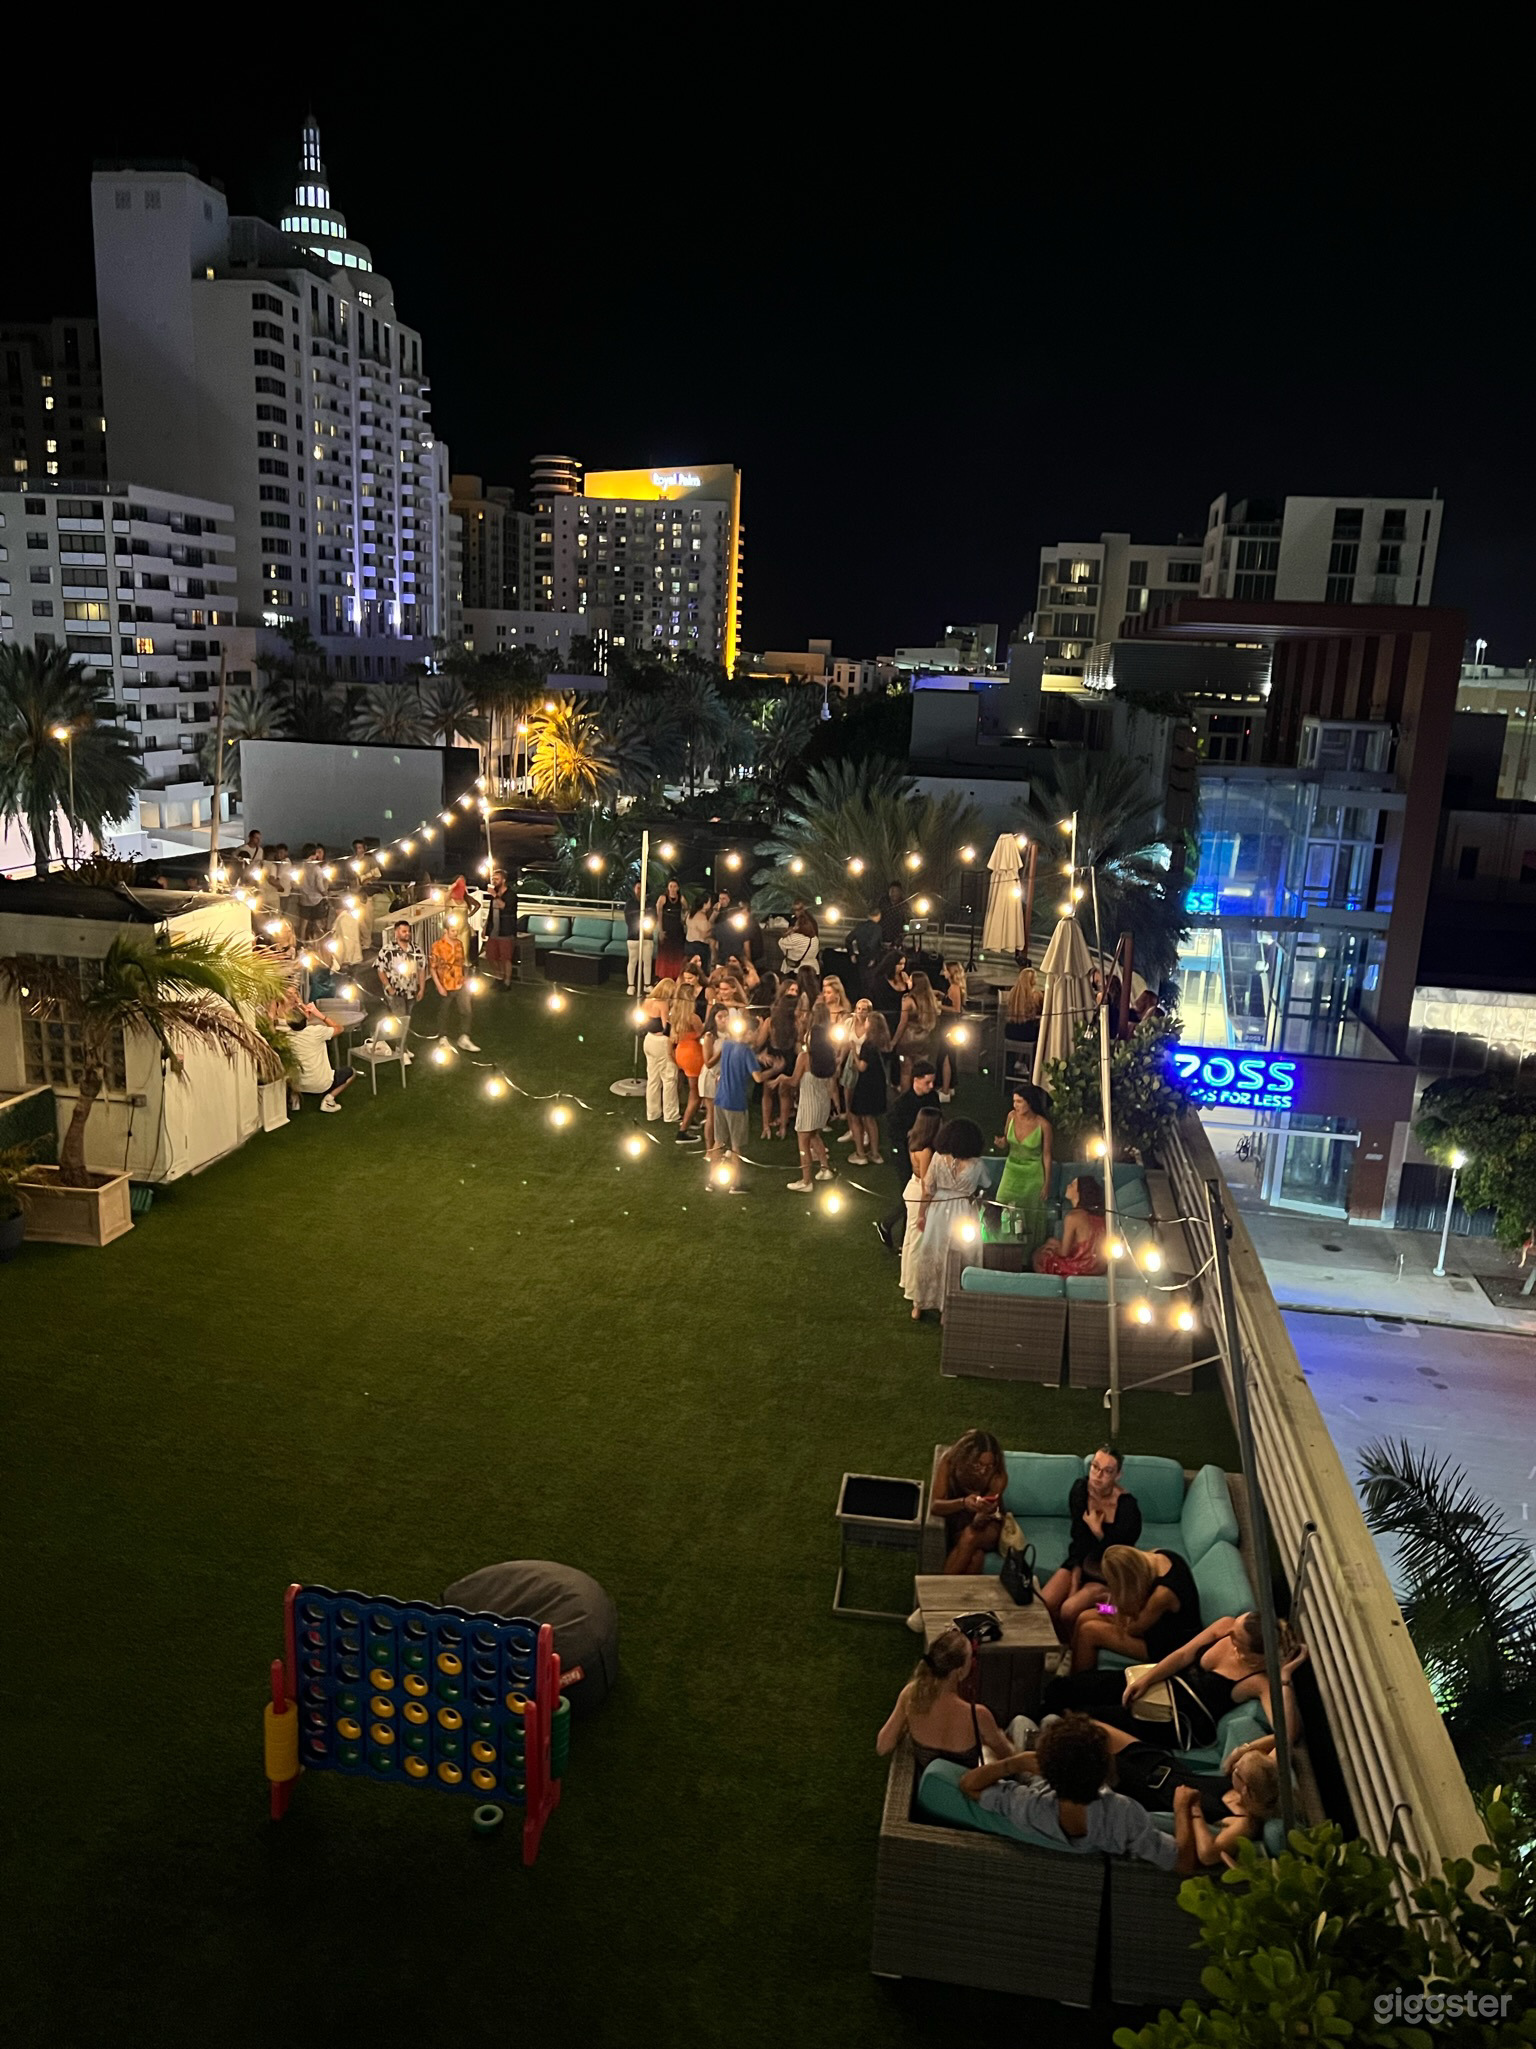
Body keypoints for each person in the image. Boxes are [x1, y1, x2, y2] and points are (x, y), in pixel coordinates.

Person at [957, 1715, 1196, 1875]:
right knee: (1048, 1721)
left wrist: (1014, 1764)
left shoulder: (1028, 1807)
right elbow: (1182, 1862)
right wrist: (1182, 1808)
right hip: (1062, 1787)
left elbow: (969, 1785)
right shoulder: (1122, 1814)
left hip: (1044, 1791)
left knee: (1023, 1722)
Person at [1044, 1611, 1310, 1754]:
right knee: (1073, 1687)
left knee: (1083, 1718)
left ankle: (1039, 1739)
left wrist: (1284, 1677)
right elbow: (1183, 1654)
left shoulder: (1257, 1681)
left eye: (1236, 1638)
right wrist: (1147, 1679)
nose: (1229, 1633)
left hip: (1176, 1720)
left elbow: (1288, 1734)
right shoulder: (1226, 1626)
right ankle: (1033, 1713)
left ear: (1254, 1656)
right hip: (1164, 1685)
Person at [1094, 1723, 1282, 1864]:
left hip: (1148, 1789)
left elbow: (1208, 1854)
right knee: (1089, 1728)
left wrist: (1194, 1810)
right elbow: (1282, 1738)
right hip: (1162, 1763)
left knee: (1090, 1749)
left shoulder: (1243, 1821)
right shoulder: (1264, 1777)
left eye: (1237, 1771)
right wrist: (1243, 1751)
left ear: (1246, 1789)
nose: (1233, 1767)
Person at [1041, 1446, 1143, 1642]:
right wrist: (1074, 1583)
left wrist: (1098, 1532)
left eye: (1107, 1471)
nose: (1098, 1475)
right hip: (1081, 1561)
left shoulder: (1128, 1508)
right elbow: (1079, 1542)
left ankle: (1111, 1610)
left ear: (1118, 1475)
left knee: (1069, 1610)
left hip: (1109, 1570)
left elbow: (1120, 1554)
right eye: (1095, 1467)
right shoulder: (1080, 1490)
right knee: (1046, 1603)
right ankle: (1061, 1646)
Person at [876, 1627, 1008, 1770]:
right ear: (960, 1671)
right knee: (1019, 1726)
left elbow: (883, 1746)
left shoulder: (911, 1695)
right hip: (966, 1788)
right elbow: (1007, 1756)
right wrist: (999, 1737)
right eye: (971, 1657)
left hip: (930, 1785)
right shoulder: (978, 1715)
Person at [1062, 1543, 1201, 1675]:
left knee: (1089, 1631)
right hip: (1150, 1622)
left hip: (1166, 1644)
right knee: (1085, 1616)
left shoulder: (1162, 1595)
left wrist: (1117, 1606)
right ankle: (1073, 1663)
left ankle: (1077, 1685)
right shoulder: (1157, 1555)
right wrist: (1108, 1608)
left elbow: (1133, 1628)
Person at [904, 1117, 986, 1319]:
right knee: (959, 1256)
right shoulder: (977, 1165)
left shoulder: (938, 1158)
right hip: (963, 1211)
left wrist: (922, 1215)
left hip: (939, 1210)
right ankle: (948, 1305)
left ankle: (920, 1304)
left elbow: (927, 1190)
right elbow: (985, 1185)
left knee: (931, 1253)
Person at [875, 1058, 938, 1250]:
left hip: (928, 1152)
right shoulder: (902, 1104)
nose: (931, 1086)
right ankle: (902, 1237)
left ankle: (894, 1230)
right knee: (912, 1195)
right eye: (927, 1082)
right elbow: (893, 1132)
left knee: (920, 1195)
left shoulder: (932, 1098)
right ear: (916, 1080)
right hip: (906, 1154)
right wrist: (911, 1136)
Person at [929, 1429, 1008, 1575]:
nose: (984, 1471)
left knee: (971, 1535)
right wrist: (963, 1503)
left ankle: (938, 1591)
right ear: (966, 1459)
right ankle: (953, 1597)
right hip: (959, 1520)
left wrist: (982, 1513)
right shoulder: (949, 1462)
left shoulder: (997, 1476)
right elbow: (935, 1507)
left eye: (989, 1466)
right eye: (978, 1465)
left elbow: (985, 1515)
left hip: (988, 1525)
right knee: (975, 1559)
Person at [993, 1083, 1051, 1254]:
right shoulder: (1011, 1117)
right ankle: (1001, 1250)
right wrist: (1001, 1143)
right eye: (1014, 1101)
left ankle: (1027, 1255)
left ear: (1029, 1102)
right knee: (1002, 1203)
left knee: (1029, 1214)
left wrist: (1047, 1183)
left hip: (1033, 1173)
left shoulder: (1043, 1126)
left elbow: (1047, 1155)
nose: (1015, 1105)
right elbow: (1006, 1141)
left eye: (1019, 1102)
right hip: (1012, 1168)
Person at [787, 1000, 838, 1191]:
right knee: (815, 1135)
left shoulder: (804, 1058)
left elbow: (793, 1081)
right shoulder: (827, 1058)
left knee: (803, 1142)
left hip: (808, 1105)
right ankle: (825, 1168)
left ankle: (806, 1181)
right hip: (822, 1103)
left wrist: (780, 1078)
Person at [710, 1007, 765, 1175]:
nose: (757, 1036)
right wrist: (775, 1069)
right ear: (749, 1032)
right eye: (756, 1032)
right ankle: (735, 1183)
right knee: (736, 1146)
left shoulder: (727, 1044)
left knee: (718, 1142)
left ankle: (712, 1179)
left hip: (720, 1098)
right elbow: (758, 1078)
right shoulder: (747, 1052)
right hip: (736, 1103)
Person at [896, 1105, 942, 1304]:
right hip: (918, 1195)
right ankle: (914, 1288)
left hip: (911, 1188)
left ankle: (907, 1280)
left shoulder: (913, 1140)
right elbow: (926, 1183)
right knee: (917, 1243)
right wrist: (925, 1210)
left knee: (910, 1239)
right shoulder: (926, 1151)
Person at [283, 1001, 356, 1114]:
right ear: (305, 1019)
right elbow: (340, 1029)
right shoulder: (316, 1032)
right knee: (351, 1072)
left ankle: (295, 1099)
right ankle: (329, 1100)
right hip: (321, 1084)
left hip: (298, 1084)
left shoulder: (286, 1037)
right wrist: (319, 1014)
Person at [1033, 1172, 1109, 1276]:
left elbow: (1064, 1253)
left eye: (1072, 1185)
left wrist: (1051, 1248)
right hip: (1099, 1267)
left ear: (1080, 1192)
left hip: (1082, 1268)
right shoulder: (1099, 1214)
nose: (1068, 1186)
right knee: (1051, 1241)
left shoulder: (1072, 1217)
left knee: (1040, 1256)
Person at [426, 910, 479, 1051]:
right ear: (446, 930)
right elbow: (433, 967)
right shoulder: (437, 946)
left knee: (466, 1010)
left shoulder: (459, 944)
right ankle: (443, 1037)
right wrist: (439, 986)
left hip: (460, 981)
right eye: (453, 931)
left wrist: (466, 979)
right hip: (446, 982)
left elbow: (462, 963)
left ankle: (464, 1037)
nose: (456, 934)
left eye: (456, 931)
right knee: (444, 1010)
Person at [846, 1006, 891, 1164]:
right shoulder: (882, 1044)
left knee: (858, 1116)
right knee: (871, 1120)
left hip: (866, 1085)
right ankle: (875, 1153)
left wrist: (853, 1052)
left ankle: (860, 1154)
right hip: (878, 1084)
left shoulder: (868, 1044)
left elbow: (862, 1067)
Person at [375, 918, 423, 1064]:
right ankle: (400, 1049)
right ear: (396, 933)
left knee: (407, 1019)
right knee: (400, 1019)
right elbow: (380, 970)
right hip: (395, 992)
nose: (407, 934)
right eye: (404, 931)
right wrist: (389, 987)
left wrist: (421, 988)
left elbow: (421, 969)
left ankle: (403, 1046)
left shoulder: (416, 949)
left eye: (408, 931)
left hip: (411, 991)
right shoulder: (387, 950)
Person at [894, 970, 943, 1093]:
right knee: (921, 1071)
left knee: (906, 1071)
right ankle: (920, 1095)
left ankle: (905, 1097)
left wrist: (894, 1041)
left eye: (910, 979)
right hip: (924, 1039)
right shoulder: (930, 1000)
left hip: (908, 1039)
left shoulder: (908, 1000)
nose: (908, 981)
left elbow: (902, 1023)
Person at [643, 976, 680, 1126]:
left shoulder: (647, 1001)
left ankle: (652, 1113)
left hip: (648, 1040)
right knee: (669, 1078)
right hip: (661, 1043)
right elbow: (666, 1027)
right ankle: (670, 1114)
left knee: (652, 1079)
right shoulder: (663, 1004)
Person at [671, 986, 705, 1142]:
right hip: (693, 1055)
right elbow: (702, 1035)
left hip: (681, 1052)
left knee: (692, 1089)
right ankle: (683, 1131)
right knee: (695, 1094)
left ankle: (690, 1119)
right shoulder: (693, 1018)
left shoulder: (675, 1015)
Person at [485, 865, 517, 988]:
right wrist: (485, 927)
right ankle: (498, 977)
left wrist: (495, 896)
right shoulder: (495, 895)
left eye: (496, 879)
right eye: (493, 879)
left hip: (506, 930)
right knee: (490, 956)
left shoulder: (511, 895)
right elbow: (491, 912)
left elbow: (505, 907)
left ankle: (507, 982)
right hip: (493, 930)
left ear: (503, 880)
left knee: (505, 958)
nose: (494, 882)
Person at [654, 878, 688, 982]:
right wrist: (660, 930)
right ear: (668, 888)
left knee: (677, 954)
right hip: (666, 930)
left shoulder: (681, 898)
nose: (673, 889)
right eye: (671, 886)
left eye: (675, 886)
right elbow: (658, 915)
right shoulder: (663, 898)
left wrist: (684, 918)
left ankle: (676, 976)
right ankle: (664, 976)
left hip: (678, 931)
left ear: (678, 888)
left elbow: (687, 909)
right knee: (665, 955)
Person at [297, 844, 331, 942]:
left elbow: (296, 883)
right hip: (316, 900)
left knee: (303, 924)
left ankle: (302, 944)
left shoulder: (300, 867)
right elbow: (320, 886)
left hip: (303, 899)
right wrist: (326, 895)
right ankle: (318, 944)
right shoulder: (316, 869)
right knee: (318, 924)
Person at [624, 881, 653, 997]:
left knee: (647, 961)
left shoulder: (650, 904)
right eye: (638, 888)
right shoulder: (630, 904)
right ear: (634, 889)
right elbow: (628, 920)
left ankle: (647, 984)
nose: (640, 890)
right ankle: (631, 985)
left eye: (642, 888)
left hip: (647, 937)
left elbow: (653, 918)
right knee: (632, 961)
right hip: (633, 937)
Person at [778, 909, 820, 978]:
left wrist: (790, 931)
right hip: (812, 969)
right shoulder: (815, 939)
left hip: (796, 970)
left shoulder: (795, 938)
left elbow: (781, 942)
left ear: (799, 926)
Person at [684, 891, 717, 972]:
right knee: (700, 971)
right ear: (704, 904)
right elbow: (705, 933)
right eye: (709, 902)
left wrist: (715, 913)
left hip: (689, 945)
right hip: (698, 947)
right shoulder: (701, 916)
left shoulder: (690, 914)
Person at [878, 881, 906, 949]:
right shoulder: (883, 902)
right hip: (881, 938)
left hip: (896, 940)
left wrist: (901, 937)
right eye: (892, 891)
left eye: (896, 891)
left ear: (900, 892)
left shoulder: (904, 905)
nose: (894, 893)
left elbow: (907, 923)